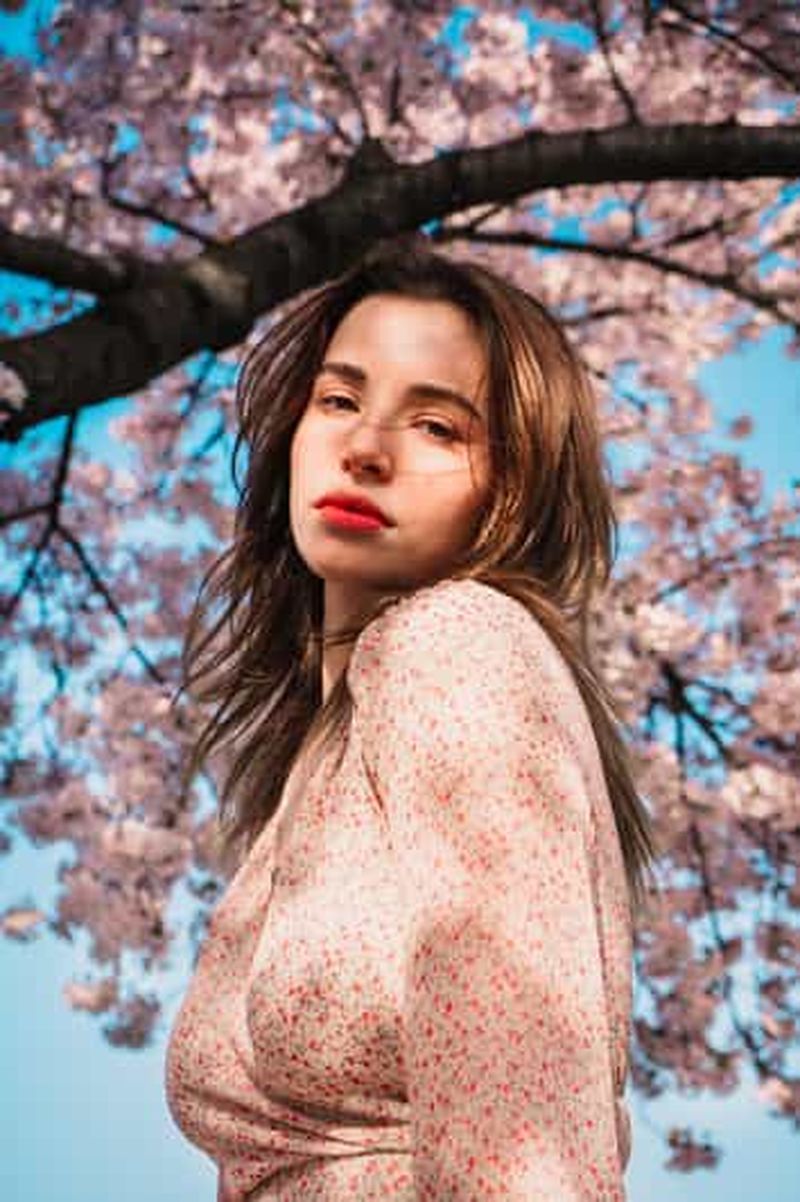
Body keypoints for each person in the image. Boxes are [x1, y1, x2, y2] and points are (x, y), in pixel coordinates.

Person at [165, 239, 657, 1201]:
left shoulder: (456, 645)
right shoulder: (326, 748)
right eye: (339, 400)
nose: (365, 447)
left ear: (509, 488)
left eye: (437, 426)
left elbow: (524, 1139)